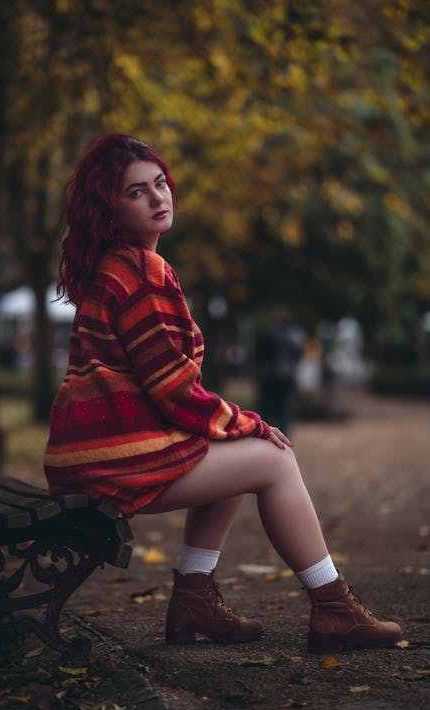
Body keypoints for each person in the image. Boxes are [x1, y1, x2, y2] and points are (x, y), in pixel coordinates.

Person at [44, 134, 401, 653]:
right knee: (273, 460)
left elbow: (162, 386)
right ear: (111, 209)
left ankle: (193, 600)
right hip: (112, 458)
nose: (158, 198)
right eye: (137, 192)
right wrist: (248, 422)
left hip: (92, 453)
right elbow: (172, 390)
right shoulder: (140, 269)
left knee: (235, 457)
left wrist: (234, 427)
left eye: (160, 184)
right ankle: (334, 608)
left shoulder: (117, 265)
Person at [256, 307, 306, 438]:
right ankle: (285, 437)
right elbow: (299, 355)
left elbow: (258, 355)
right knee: (285, 409)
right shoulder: (296, 334)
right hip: (288, 376)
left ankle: (265, 434)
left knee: (267, 409)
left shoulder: (267, 333)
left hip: (269, 376)